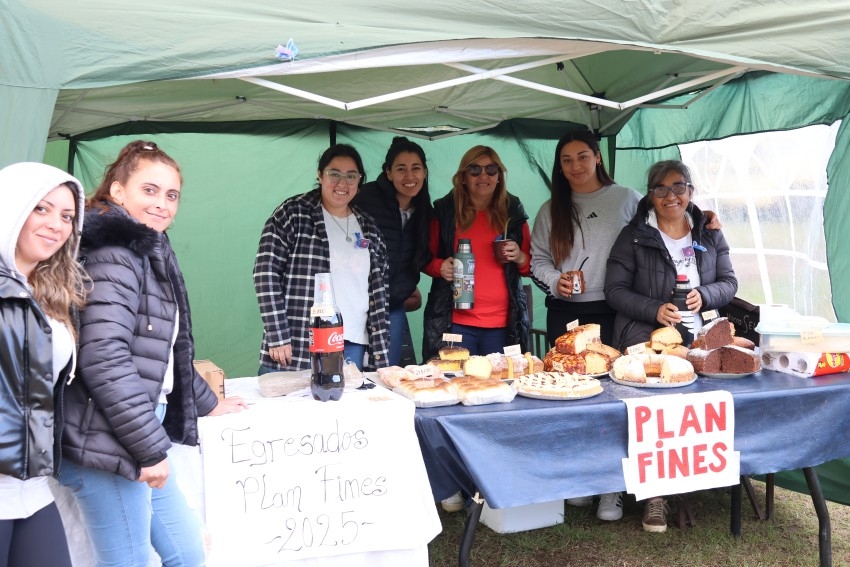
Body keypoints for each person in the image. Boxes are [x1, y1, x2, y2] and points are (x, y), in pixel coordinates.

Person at [60, 140, 248, 566]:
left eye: (171, 195)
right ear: (117, 190)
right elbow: (105, 359)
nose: (162, 204)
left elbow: (163, 353)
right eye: (150, 190)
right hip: (104, 442)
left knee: (188, 553)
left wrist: (208, 401)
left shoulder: (146, 248)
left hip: (127, 433)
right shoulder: (115, 253)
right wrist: (149, 449)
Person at [604, 159, 738, 532]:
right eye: (661, 189)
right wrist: (654, 309)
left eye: (678, 187)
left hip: (702, 337)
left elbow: (729, 282)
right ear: (650, 195)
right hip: (647, 339)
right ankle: (655, 498)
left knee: (701, 408)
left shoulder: (710, 233)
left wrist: (705, 295)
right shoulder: (633, 236)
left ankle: (701, 475)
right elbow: (614, 291)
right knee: (657, 415)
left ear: (691, 192)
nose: (671, 196)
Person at [0, 163, 87, 567]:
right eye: (41, 209)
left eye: (67, 216)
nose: (56, 224)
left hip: (31, 486)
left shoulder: (49, 294)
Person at [254, 144, 390, 372]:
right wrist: (277, 335)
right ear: (320, 175)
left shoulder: (369, 226)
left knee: (343, 406)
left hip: (353, 342)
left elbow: (380, 290)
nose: (342, 183)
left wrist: (379, 350)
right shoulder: (292, 213)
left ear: (359, 181)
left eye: (351, 176)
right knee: (293, 406)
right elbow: (265, 273)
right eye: (334, 174)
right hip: (299, 341)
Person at [530, 129, 642, 349]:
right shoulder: (550, 210)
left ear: (597, 157)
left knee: (615, 377)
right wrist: (555, 281)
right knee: (569, 378)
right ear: (560, 167)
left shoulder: (627, 199)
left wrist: (699, 217)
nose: (576, 166)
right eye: (567, 160)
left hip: (616, 310)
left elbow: (665, 224)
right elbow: (538, 261)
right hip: (565, 312)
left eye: (583, 156)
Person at [422, 145, 532, 362]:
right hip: (456, 322)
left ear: (499, 176)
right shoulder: (445, 211)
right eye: (474, 170)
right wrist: (439, 266)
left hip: (503, 324)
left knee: (501, 387)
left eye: (491, 170)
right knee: (456, 387)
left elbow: (530, 266)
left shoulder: (513, 212)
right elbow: (425, 259)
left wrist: (519, 256)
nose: (484, 176)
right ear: (463, 177)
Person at [353, 136, 432, 366]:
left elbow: (422, 255)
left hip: (393, 306)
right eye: (401, 169)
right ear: (388, 173)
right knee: (352, 372)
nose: (409, 176)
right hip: (356, 304)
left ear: (425, 172)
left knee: (386, 373)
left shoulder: (425, 210)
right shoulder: (364, 198)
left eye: (416, 168)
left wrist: (407, 285)